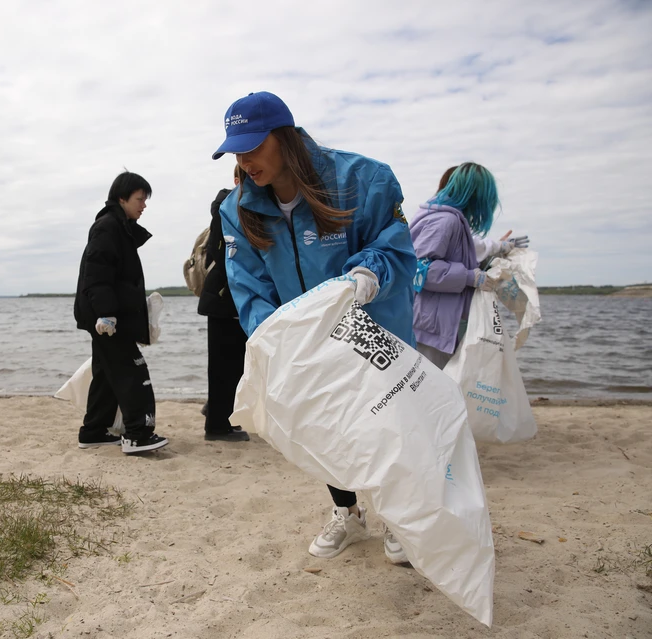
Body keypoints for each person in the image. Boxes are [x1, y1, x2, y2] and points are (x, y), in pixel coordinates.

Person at [212, 91, 416, 564]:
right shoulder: (237, 208)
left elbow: (396, 245)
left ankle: (396, 517)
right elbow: (249, 286)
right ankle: (347, 513)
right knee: (325, 427)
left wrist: (368, 274)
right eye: (235, 151)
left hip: (373, 327)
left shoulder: (363, 178)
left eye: (253, 147)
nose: (244, 161)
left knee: (386, 425)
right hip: (305, 340)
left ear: (284, 138)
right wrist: (272, 338)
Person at [73, 171, 169, 454]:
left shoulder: (120, 226)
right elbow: (97, 274)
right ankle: (137, 434)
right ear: (122, 198)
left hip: (110, 316)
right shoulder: (107, 227)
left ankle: (94, 432)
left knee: (106, 374)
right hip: (108, 319)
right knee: (132, 371)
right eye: (140, 199)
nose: (144, 205)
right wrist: (106, 314)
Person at [409, 162, 505, 369]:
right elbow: (419, 269)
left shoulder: (448, 219)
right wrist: (471, 278)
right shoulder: (445, 221)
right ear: (476, 196)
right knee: (431, 392)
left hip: (436, 324)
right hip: (429, 329)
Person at [197, 164, 251, 443]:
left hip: (225, 298)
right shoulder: (228, 206)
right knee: (225, 365)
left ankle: (217, 413)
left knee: (232, 364)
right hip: (225, 297)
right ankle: (217, 426)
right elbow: (226, 252)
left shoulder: (229, 205)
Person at [436, 165, 530, 265]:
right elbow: (471, 246)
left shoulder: (445, 217)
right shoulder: (448, 220)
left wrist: (497, 250)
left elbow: (469, 254)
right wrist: (499, 247)